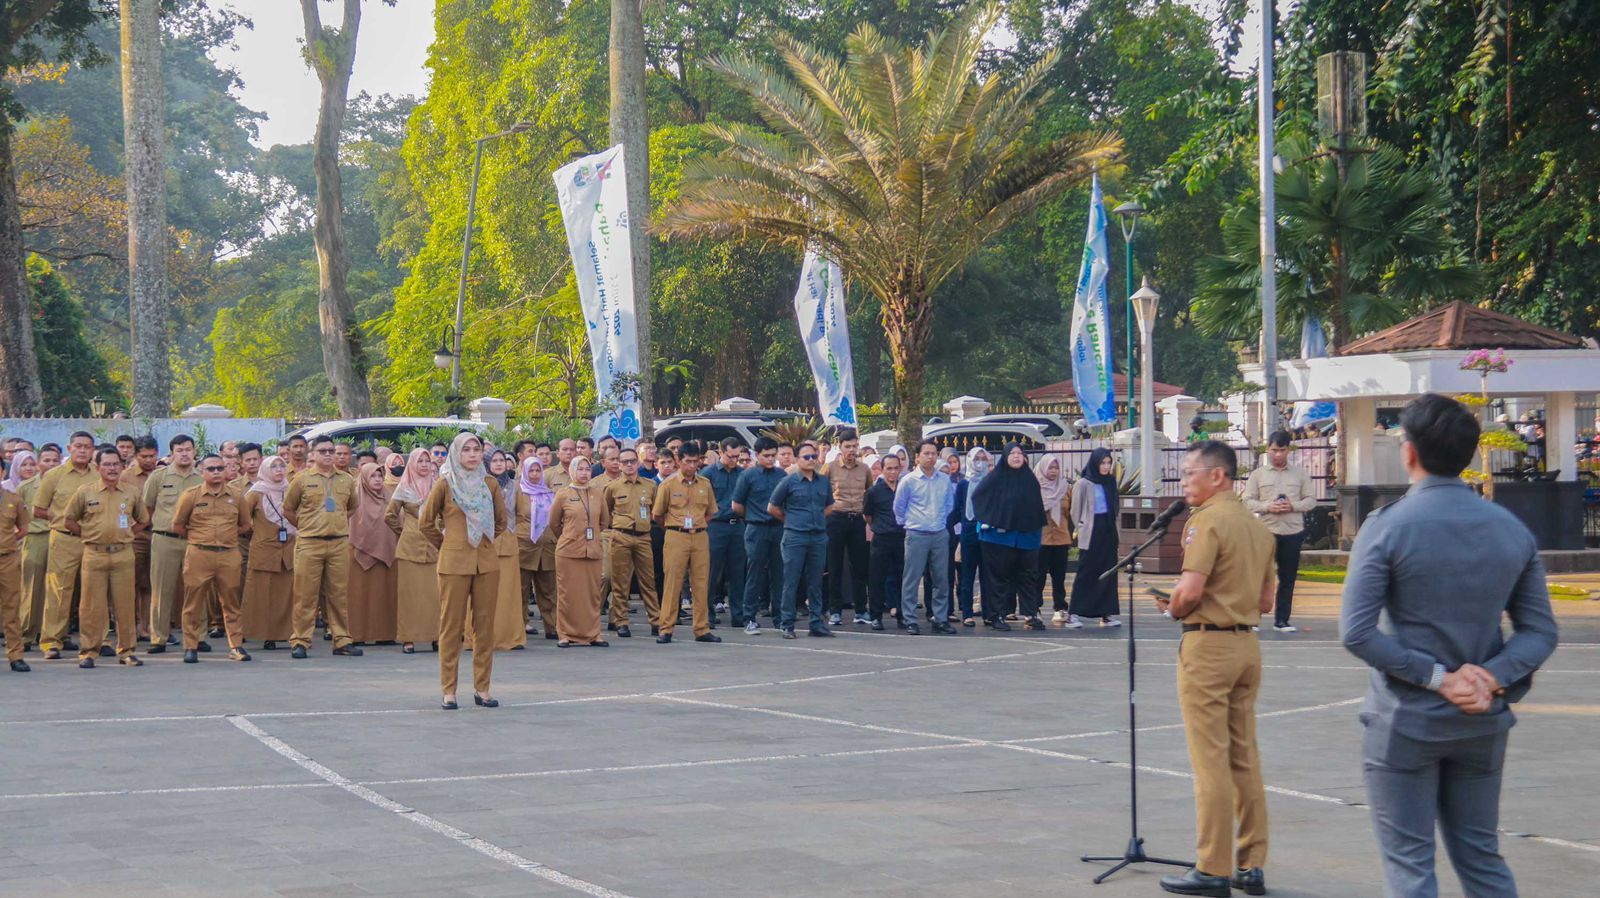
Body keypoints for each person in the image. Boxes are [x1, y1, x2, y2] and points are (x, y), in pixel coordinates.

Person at [1341, 393, 1558, 898]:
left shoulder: (1386, 526)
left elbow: (1356, 631)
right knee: (1482, 859)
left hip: (1405, 720)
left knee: (1411, 869)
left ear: (1409, 452)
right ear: (1469, 454)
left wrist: (1438, 677)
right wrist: (1491, 676)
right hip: (1481, 718)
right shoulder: (1510, 529)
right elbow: (1540, 630)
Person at [1151, 440, 1275, 897]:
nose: (1184, 480)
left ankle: (1212, 867)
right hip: (1247, 645)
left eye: (1190, 472)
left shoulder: (1206, 522)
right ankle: (1251, 863)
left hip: (1208, 646)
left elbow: (1190, 590)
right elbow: (1267, 600)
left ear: (1217, 476)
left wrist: (1174, 607)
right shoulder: (1257, 528)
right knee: (1245, 757)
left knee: (1210, 762)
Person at [420, 433, 507, 709]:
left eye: (477, 449)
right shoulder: (445, 484)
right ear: (456, 454)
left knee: (484, 628)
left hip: (486, 563)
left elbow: (501, 522)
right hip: (453, 564)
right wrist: (447, 543)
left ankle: (483, 688)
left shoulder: (489, 484)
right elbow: (425, 522)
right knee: (451, 627)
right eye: (466, 450)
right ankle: (449, 690)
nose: (472, 454)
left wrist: (482, 539)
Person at [62, 447, 149, 668]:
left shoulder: (131, 492)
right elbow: (69, 520)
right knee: (91, 606)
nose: (112, 468)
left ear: (122, 466)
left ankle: (127, 651)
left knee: (125, 605)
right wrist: (90, 535)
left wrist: (126, 534)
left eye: (116, 464)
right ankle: (89, 651)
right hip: (94, 554)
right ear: (97, 467)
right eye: (107, 464)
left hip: (123, 555)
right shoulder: (85, 491)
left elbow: (143, 520)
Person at [283, 436, 361, 659]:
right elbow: (288, 509)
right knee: (305, 595)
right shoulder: (301, 480)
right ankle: (300, 640)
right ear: (313, 454)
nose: (328, 455)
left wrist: (335, 522)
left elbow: (352, 507)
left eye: (331, 451)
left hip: (337, 542)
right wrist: (307, 525)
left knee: (338, 594)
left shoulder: (346, 480)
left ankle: (342, 640)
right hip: (310, 543)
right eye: (323, 451)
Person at [172, 453, 252, 663]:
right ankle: (191, 646)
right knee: (193, 602)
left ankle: (236, 646)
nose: (216, 472)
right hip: (199, 554)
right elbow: (178, 525)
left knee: (231, 602)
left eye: (220, 468)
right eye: (211, 469)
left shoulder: (236, 495)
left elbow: (245, 525)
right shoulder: (191, 495)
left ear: (226, 470)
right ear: (201, 472)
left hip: (228, 554)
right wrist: (200, 538)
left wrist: (226, 537)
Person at [33, 432, 98, 659]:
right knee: (58, 591)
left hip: (93, 541)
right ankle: (51, 641)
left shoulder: (99, 475)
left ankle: (96, 640)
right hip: (64, 538)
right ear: (69, 448)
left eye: (87, 447)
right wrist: (62, 518)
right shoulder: (54, 475)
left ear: (93, 450)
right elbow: (38, 509)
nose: (82, 450)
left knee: (93, 592)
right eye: (78, 446)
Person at [1243, 430, 1316, 632]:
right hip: (1266, 532)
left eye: (1282, 451)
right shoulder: (1258, 475)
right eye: (1274, 450)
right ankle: (1252, 618)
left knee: (1288, 577)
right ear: (1268, 450)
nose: (1277, 455)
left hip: (1293, 531)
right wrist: (1268, 506)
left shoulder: (1300, 474)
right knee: (1259, 576)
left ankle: (1282, 620)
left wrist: (1293, 506)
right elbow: (1247, 501)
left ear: (1288, 450)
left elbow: (1311, 500)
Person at [972, 443, 1047, 630]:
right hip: (998, 537)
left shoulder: (1030, 479)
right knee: (998, 578)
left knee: (1028, 577)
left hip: (1026, 537)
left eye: (1019, 453)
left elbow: (1036, 508)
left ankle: (1031, 614)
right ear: (1005, 456)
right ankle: (996, 615)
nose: (1016, 456)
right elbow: (979, 498)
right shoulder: (995, 478)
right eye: (1012, 453)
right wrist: (993, 519)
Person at [652, 441, 719, 644]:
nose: (691, 466)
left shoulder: (705, 484)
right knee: (673, 582)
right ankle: (666, 628)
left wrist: (697, 525)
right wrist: (675, 528)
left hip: (699, 535)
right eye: (687, 461)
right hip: (676, 535)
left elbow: (711, 512)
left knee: (701, 583)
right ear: (678, 461)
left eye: (695, 461)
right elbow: (657, 515)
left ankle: (701, 628)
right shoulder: (668, 485)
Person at [768, 442, 833, 639]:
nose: (811, 460)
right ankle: (787, 623)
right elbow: (772, 507)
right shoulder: (789, 481)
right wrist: (790, 520)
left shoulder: (822, 481)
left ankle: (816, 623)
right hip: (795, 536)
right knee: (791, 580)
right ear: (797, 459)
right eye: (806, 457)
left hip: (817, 536)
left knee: (815, 581)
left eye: (813, 456)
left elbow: (829, 506)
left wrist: (817, 519)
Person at [142, 433, 200, 651]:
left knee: (196, 589)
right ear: (172, 453)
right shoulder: (159, 477)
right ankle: (159, 638)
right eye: (179, 450)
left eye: (188, 449)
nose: (184, 454)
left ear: (194, 451)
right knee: (161, 590)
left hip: (194, 539)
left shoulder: (201, 478)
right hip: (164, 539)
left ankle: (197, 637)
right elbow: (146, 509)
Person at [894, 440, 956, 635]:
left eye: (934, 453)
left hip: (939, 534)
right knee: (911, 579)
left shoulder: (944, 480)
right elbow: (898, 508)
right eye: (926, 453)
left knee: (941, 579)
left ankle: (940, 618)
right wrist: (912, 523)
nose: (931, 457)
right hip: (916, 534)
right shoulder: (909, 480)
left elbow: (949, 506)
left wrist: (937, 521)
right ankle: (910, 619)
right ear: (918, 457)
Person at [547, 457, 610, 647]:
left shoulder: (597, 494)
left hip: (592, 550)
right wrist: (568, 536)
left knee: (592, 594)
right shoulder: (563, 494)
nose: (584, 472)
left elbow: (604, 521)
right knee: (568, 593)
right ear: (573, 471)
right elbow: (553, 523)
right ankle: (565, 633)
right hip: (568, 551)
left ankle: (593, 633)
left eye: (587, 469)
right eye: (580, 469)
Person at [386, 448, 439, 653]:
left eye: (427, 461)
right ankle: (408, 639)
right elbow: (389, 515)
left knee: (435, 596)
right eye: (420, 461)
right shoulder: (404, 487)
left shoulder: (438, 487)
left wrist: (440, 532)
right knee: (409, 597)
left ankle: (435, 636)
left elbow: (444, 513)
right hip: (409, 549)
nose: (424, 465)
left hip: (434, 547)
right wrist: (404, 532)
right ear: (412, 464)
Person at [732, 437, 785, 634]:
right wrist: (753, 517)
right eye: (766, 456)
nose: (771, 459)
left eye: (773, 455)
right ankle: (749, 617)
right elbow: (737, 505)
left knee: (779, 573)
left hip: (778, 528)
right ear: (757, 455)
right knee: (754, 573)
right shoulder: (748, 476)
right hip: (756, 528)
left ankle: (780, 617)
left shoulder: (782, 475)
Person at [602, 446, 656, 639]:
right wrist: (617, 526)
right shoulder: (613, 487)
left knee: (648, 581)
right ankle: (621, 621)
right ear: (619, 464)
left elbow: (655, 510)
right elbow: (606, 511)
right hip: (621, 535)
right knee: (620, 582)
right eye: (624, 462)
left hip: (643, 536)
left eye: (632, 461)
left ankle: (655, 621)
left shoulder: (649, 485)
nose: (629, 465)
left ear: (638, 462)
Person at [242, 456, 295, 650]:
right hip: (264, 552)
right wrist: (258, 536)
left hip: (289, 551)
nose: (279, 470)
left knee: (287, 594)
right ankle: (265, 635)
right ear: (265, 470)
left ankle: (288, 634)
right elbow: (242, 521)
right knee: (262, 594)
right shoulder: (255, 493)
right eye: (274, 467)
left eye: (282, 466)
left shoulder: (290, 490)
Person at [821, 431, 871, 627]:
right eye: (847, 446)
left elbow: (869, 491)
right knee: (834, 566)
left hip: (857, 519)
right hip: (836, 519)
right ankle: (835, 611)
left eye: (854, 446)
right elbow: (821, 491)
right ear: (839, 446)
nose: (851, 450)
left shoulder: (865, 469)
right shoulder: (830, 468)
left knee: (859, 566)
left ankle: (861, 610)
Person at [1068, 448, 1121, 629]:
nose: (1106, 467)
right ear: (1095, 463)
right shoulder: (1083, 483)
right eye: (1102, 463)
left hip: (1108, 529)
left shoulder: (1110, 482)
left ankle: (1106, 614)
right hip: (1091, 531)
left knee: (1108, 572)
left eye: (1108, 463)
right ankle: (1074, 613)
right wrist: (1082, 526)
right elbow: (1075, 510)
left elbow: (1115, 506)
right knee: (1086, 572)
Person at [347, 462, 398, 646]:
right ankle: (358, 634)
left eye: (379, 476)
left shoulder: (389, 496)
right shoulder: (355, 497)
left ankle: (385, 634)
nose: (377, 480)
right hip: (359, 554)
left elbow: (397, 520)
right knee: (360, 595)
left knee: (384, 595)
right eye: (373, 476)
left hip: (387, 552)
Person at [118, 437, 158, 639]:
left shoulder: (163, 475)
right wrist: (134, 532)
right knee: (132, 583)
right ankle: (130, 627)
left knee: (151, 584)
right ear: (136, 455)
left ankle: (148, 626)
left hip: (159, 537)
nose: (149, 460)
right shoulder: (125, 477)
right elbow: (122, 509)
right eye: (144, 456)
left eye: (152, 456)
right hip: (136, 537)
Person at [515, 457, 558, 641]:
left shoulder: (549, 493)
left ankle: (553, 627)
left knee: (549, 591)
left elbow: (556, 520)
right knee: (521, 591)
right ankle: (519, 627)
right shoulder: (519, 492)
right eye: (531, 471)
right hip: (524, 547)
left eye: (538, 471)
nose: (534, 475)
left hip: (547, 548)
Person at [705, 437, 746, 628]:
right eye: (730, 456)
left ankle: (738, 615)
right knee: (712, 573)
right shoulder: (708, 474)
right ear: (721, 452)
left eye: (737, 457)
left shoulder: (743, 474)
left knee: (737, 573)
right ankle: (707, 615)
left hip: (738, 526)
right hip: (716, 526)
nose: (734, 460)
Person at [862, 452, 905, 632]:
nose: (893, 472)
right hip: (881, 537)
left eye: (896, 468)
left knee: (902, 578)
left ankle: (903, 615)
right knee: (877, 579)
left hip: (901, 537)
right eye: (889, 468)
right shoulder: (873, 491)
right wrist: (879, 526)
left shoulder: (905, 487)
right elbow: (867, 515)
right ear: (882, 469)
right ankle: (876, 616)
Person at [489, 453, 527, 651]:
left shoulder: (515, 486)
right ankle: (482, 637)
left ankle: (511, 637)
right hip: (486, 544)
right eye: (494, 460)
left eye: (501, 461)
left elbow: (521, 513)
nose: (498, 464)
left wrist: (510, 530)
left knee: (509, 592)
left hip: (509, 542)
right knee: (486, 593)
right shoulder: (480, 484)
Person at [10, 450, 47, 651]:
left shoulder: (62, 483)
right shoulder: (24, 487)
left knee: (57, 589)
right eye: (46, 460)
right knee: (30, 589)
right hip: (32, 538)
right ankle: (25, 634)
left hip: (60, 538)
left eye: (54, 460)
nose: (50, 464)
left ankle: (53, 633)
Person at [1035, 455, 1074, 624]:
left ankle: (1060, 608)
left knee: (1059, 577)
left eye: (1056, 468)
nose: (1053, 471)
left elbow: (1070, 511)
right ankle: (1034, 608)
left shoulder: (1065, 488)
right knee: (1038, 576)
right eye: (1050, 467)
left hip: (1061, 538)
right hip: (1041, 539)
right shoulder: (1035, 488)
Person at [0, 462, 30, 671]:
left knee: (11, 607)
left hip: (7, 558)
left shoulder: (14, 500)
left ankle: (15, 655)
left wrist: (8, 541)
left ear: (2, 472)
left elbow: (24, 528)